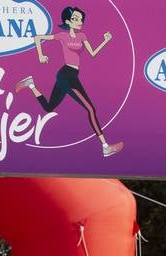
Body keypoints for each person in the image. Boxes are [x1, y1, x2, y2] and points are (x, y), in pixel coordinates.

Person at [15, 6, 123, 158]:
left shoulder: (82, 36)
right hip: (66, 75)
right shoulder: (62, 36)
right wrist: (41, 55)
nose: (79, 22)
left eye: (80, 19)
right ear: (68, 21)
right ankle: (105, 147)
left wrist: (105, 41)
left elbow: (92, 53)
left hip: (71, 75)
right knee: (91, 109)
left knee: (49, 107)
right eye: (75, 19)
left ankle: (30, 84)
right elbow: (38, 38)